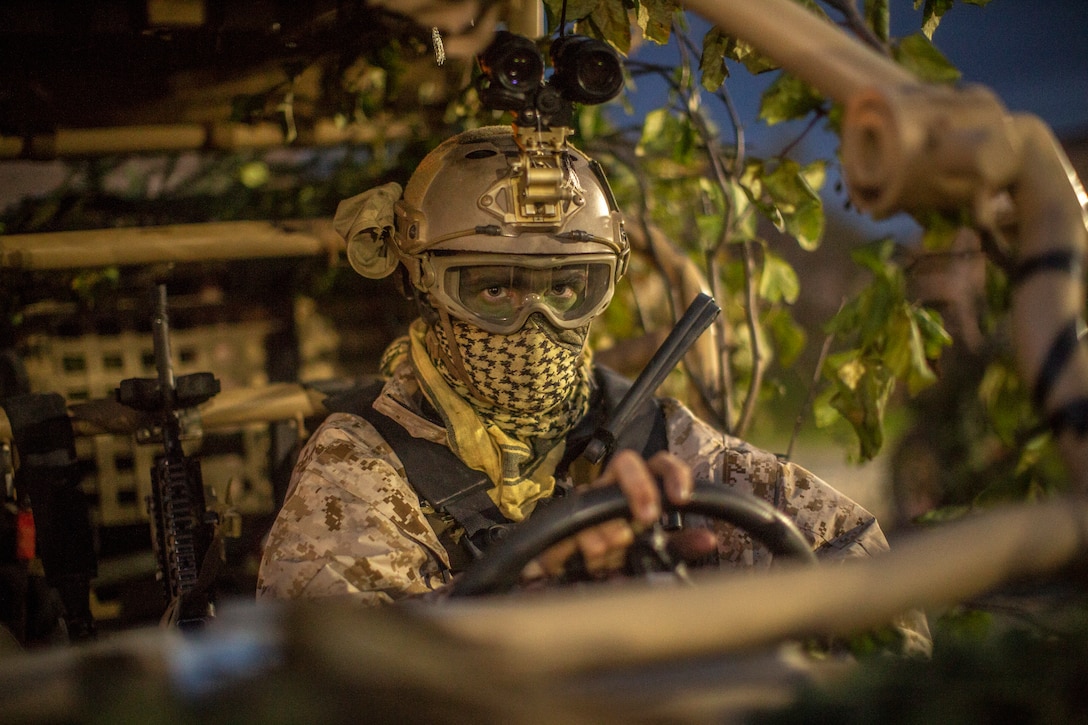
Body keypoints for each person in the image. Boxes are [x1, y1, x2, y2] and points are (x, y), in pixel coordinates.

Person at [256, 125, 930, 656]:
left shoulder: (661, 436)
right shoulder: (360, 464)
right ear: (424, 285)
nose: (535, 322)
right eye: (493, 289)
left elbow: (868, 582)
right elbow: (322, 672)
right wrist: (520, 592)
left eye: (567, 289)